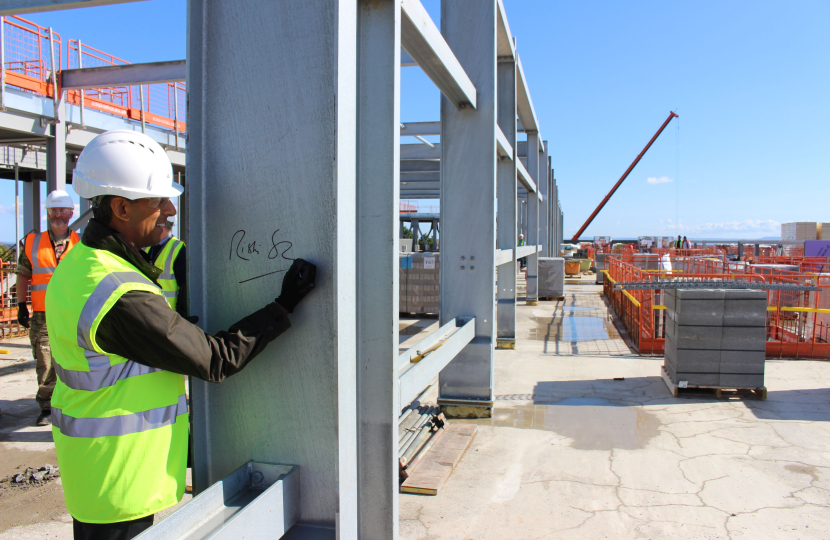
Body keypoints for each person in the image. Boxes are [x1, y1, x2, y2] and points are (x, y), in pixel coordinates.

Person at [46, 130, 317, 540]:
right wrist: (282, 306)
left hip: (97, 466)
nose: (170, 210)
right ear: (121, 207)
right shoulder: (117, 292)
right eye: (158, 201)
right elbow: (214, 359)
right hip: (120, 476)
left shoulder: (80, 263)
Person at [16, 190, 79, 426]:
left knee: (74, 358)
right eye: (54, 210)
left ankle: (72, 403)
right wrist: (22, 305)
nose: (58, 215)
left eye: (62, 210)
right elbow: (23, 275)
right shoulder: (33, 243)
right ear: (48, 213)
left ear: (71, 213)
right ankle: (47, 407)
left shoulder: (81, 243)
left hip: (72, 314)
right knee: (45, 360)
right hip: (43, 315)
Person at [145, 214, 188, 318]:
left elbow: (185, 290)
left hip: (170, 316)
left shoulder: (179, 249)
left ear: (162, 226)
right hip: (151, 313)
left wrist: (181, 317)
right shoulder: (148, 249)